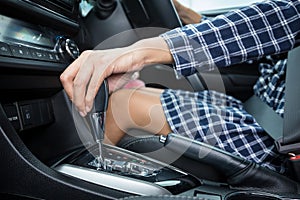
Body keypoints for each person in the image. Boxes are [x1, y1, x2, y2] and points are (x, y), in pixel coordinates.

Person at [60, 0, 300, 173]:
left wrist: (139, 52)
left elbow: (283, 20)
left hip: (282, 144)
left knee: (125, 104)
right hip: (264, 110)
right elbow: (262, 44)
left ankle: (81, 179)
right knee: (131, 94)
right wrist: (183, 13)